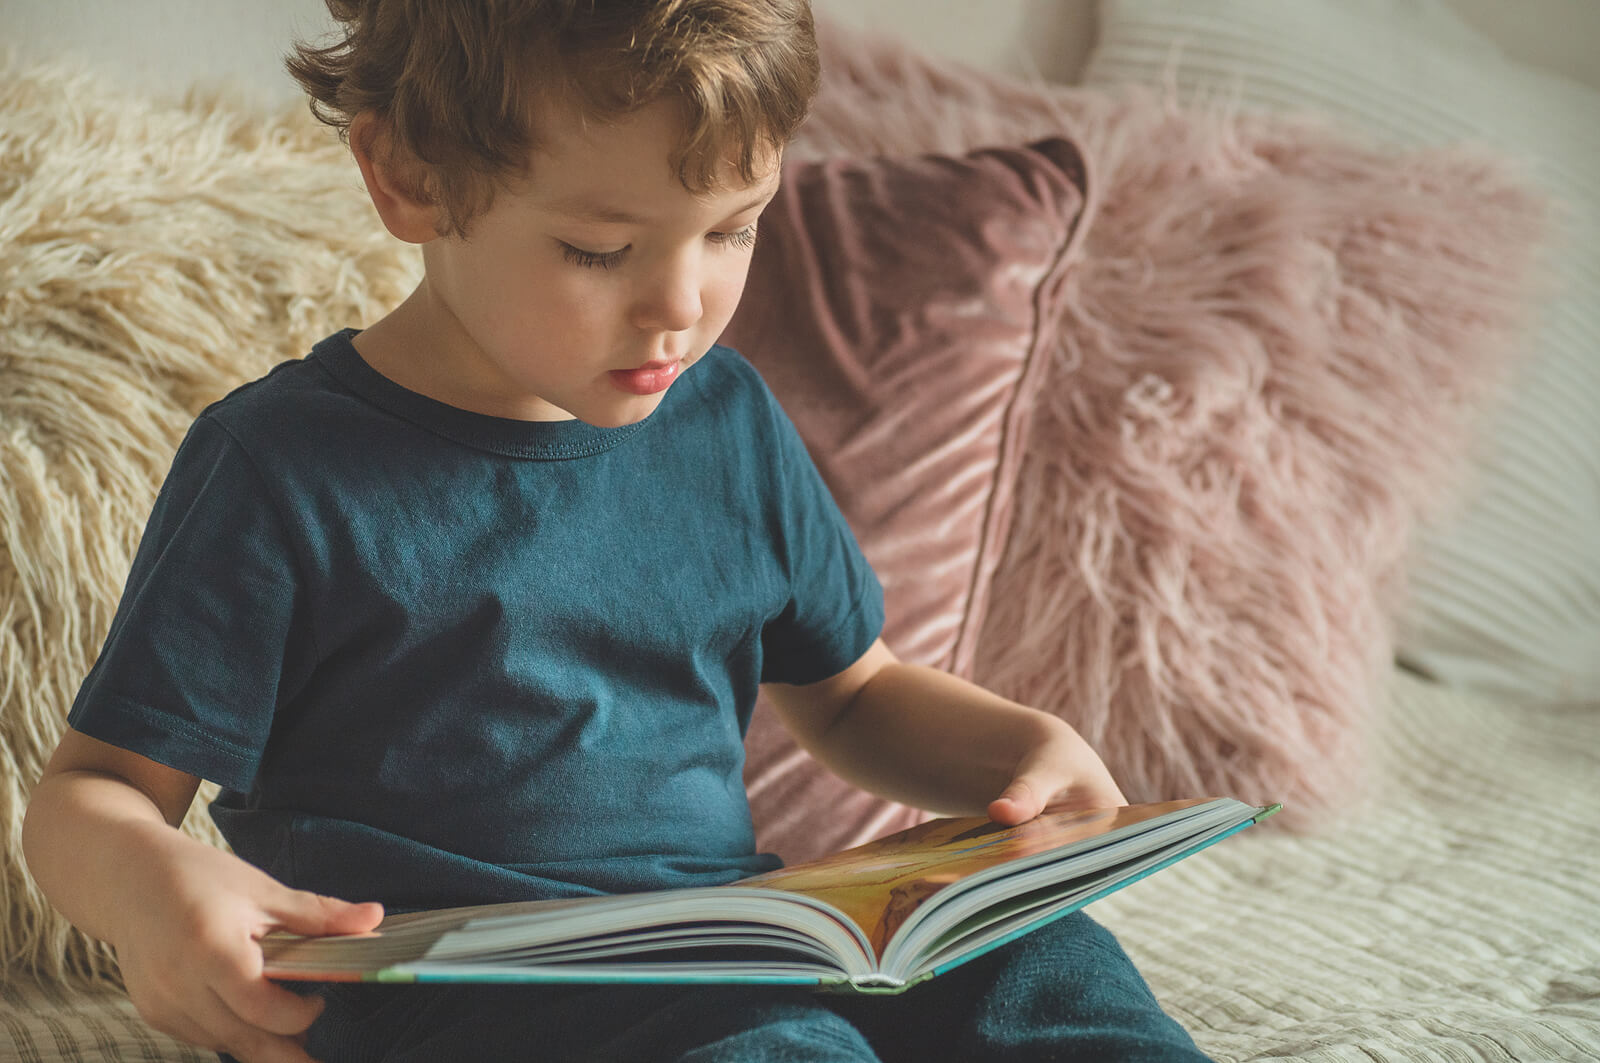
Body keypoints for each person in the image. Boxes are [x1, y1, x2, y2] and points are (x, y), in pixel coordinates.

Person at [22, 2, 1212, 1060]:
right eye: (602, 249)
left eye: (734, 228)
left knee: (1045, 965)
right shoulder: (281, 469)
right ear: (408, 177)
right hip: (462, 992)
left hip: (727, 934)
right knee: (770, 1047)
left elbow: (851, 697)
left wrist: (1014, 751)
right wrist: (153, 889)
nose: (680, 306)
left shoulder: (727, 419)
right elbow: (90, 795)